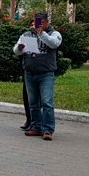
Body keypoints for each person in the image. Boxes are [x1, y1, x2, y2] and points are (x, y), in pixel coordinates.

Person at [14, 11, 62, 141]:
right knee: (33, 102)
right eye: (36, 22)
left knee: (46, 102)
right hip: (30, 73)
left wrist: (42, 34)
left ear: (47, 22)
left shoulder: (54, 34)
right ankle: (35, 126)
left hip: (46, 73)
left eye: (41, 22)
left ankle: (47, 129)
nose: (38, 25)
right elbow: (16, 50)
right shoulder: (27, 34)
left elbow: (53, 44)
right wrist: (19, 48)